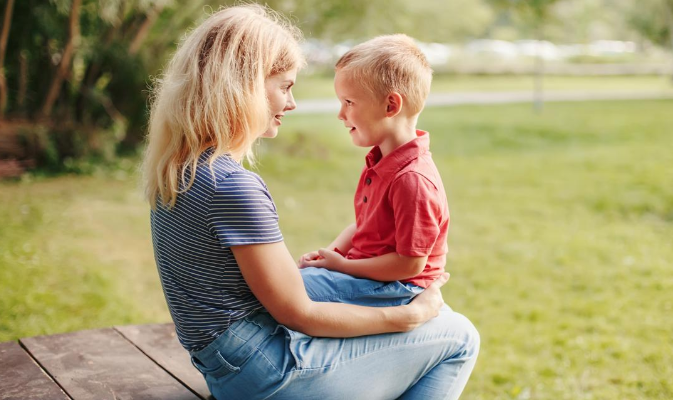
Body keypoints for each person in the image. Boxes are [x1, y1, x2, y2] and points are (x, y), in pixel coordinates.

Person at [142, 5, 479, 400]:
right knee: (460, 336)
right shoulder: (232, 186)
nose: (292, 103)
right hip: (265, 375)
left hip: (225, 366)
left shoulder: (178, 169)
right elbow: (298, 313)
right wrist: (407, 316)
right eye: (285, 86)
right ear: (245, 86)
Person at [298, 35, 449, 309]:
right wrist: (331, 254)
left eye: (349, 102)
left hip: (398, 288)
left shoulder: (412, 179)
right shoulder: (383, 161)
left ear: (391, 106)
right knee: (289, 283)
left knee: (287, 292)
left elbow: (411, 263)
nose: (340, 114)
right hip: (369, 275)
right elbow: (364, 225)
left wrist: (343, 267)